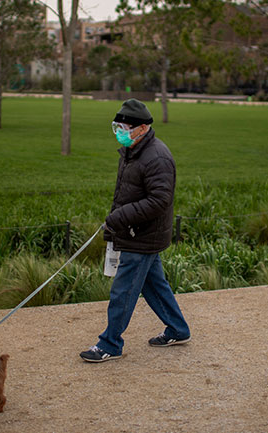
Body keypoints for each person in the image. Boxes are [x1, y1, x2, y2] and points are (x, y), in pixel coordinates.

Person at [80, 99, 191, 363]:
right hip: (134, 232)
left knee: (124, 290)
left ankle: (110, 343)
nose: (119, 131)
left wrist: (119, 218)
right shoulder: (132, 151)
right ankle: (178, 329)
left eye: (124, 127)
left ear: (142, 128)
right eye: (116, 126)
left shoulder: (157, 157)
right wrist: (117, 223)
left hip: (141, 235)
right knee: (154, 286)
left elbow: (159, 200)